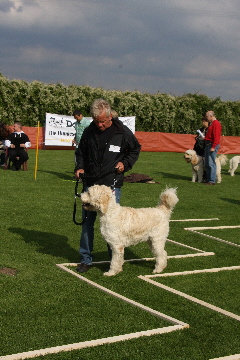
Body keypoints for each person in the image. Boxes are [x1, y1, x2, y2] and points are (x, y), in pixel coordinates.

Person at [74, 98, 141, 273]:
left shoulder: (122, 132)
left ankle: (114, 260)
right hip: (91, 184)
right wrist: (79, 167)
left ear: (110, 116)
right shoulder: (89, 131)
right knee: (87, 223)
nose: (100, 125)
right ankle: (85, 259)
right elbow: (80, 152)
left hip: (112, 184)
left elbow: (135, 149)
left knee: (112, 224)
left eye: (102, 121)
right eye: (97, 121)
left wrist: (125, 164)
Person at [204, 111, 222, 185]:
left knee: (211, 163)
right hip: (208, 144)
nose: (206, 118)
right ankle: (208, 179)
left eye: (207, 117)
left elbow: (216, 136)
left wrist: (214, 146)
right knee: (207, 163)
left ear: (211, 116)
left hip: (211, 145)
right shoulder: (212, 124)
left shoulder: (216, 124)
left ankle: (211, 180)